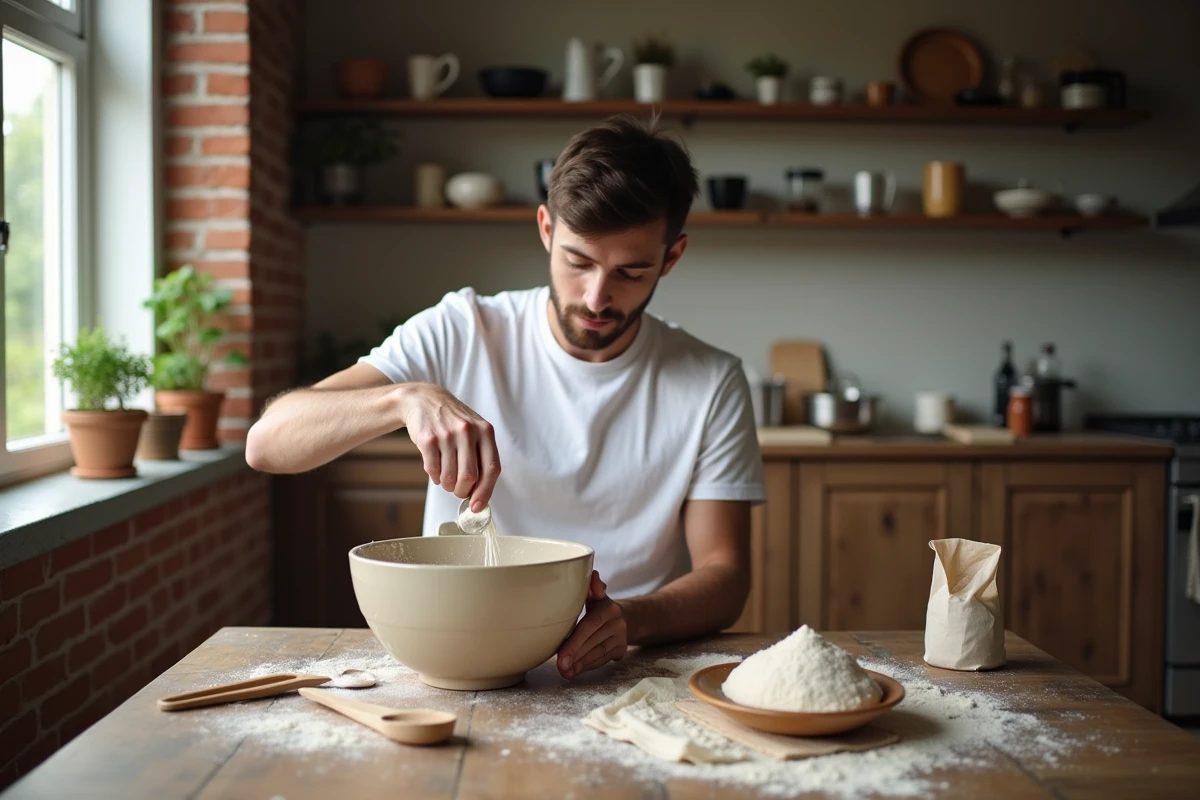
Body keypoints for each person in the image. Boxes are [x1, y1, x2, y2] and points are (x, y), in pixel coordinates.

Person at [246, 114, 766, 679]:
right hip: (454, 650)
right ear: (546, 228)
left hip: (621, 663)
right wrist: (402, 399)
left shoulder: (712, 380)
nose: (596, 298)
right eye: (578, 261)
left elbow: (725, 573)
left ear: (672, 256)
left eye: (632, 272)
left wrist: (630, 620)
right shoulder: (462, 328)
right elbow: (268, 444)